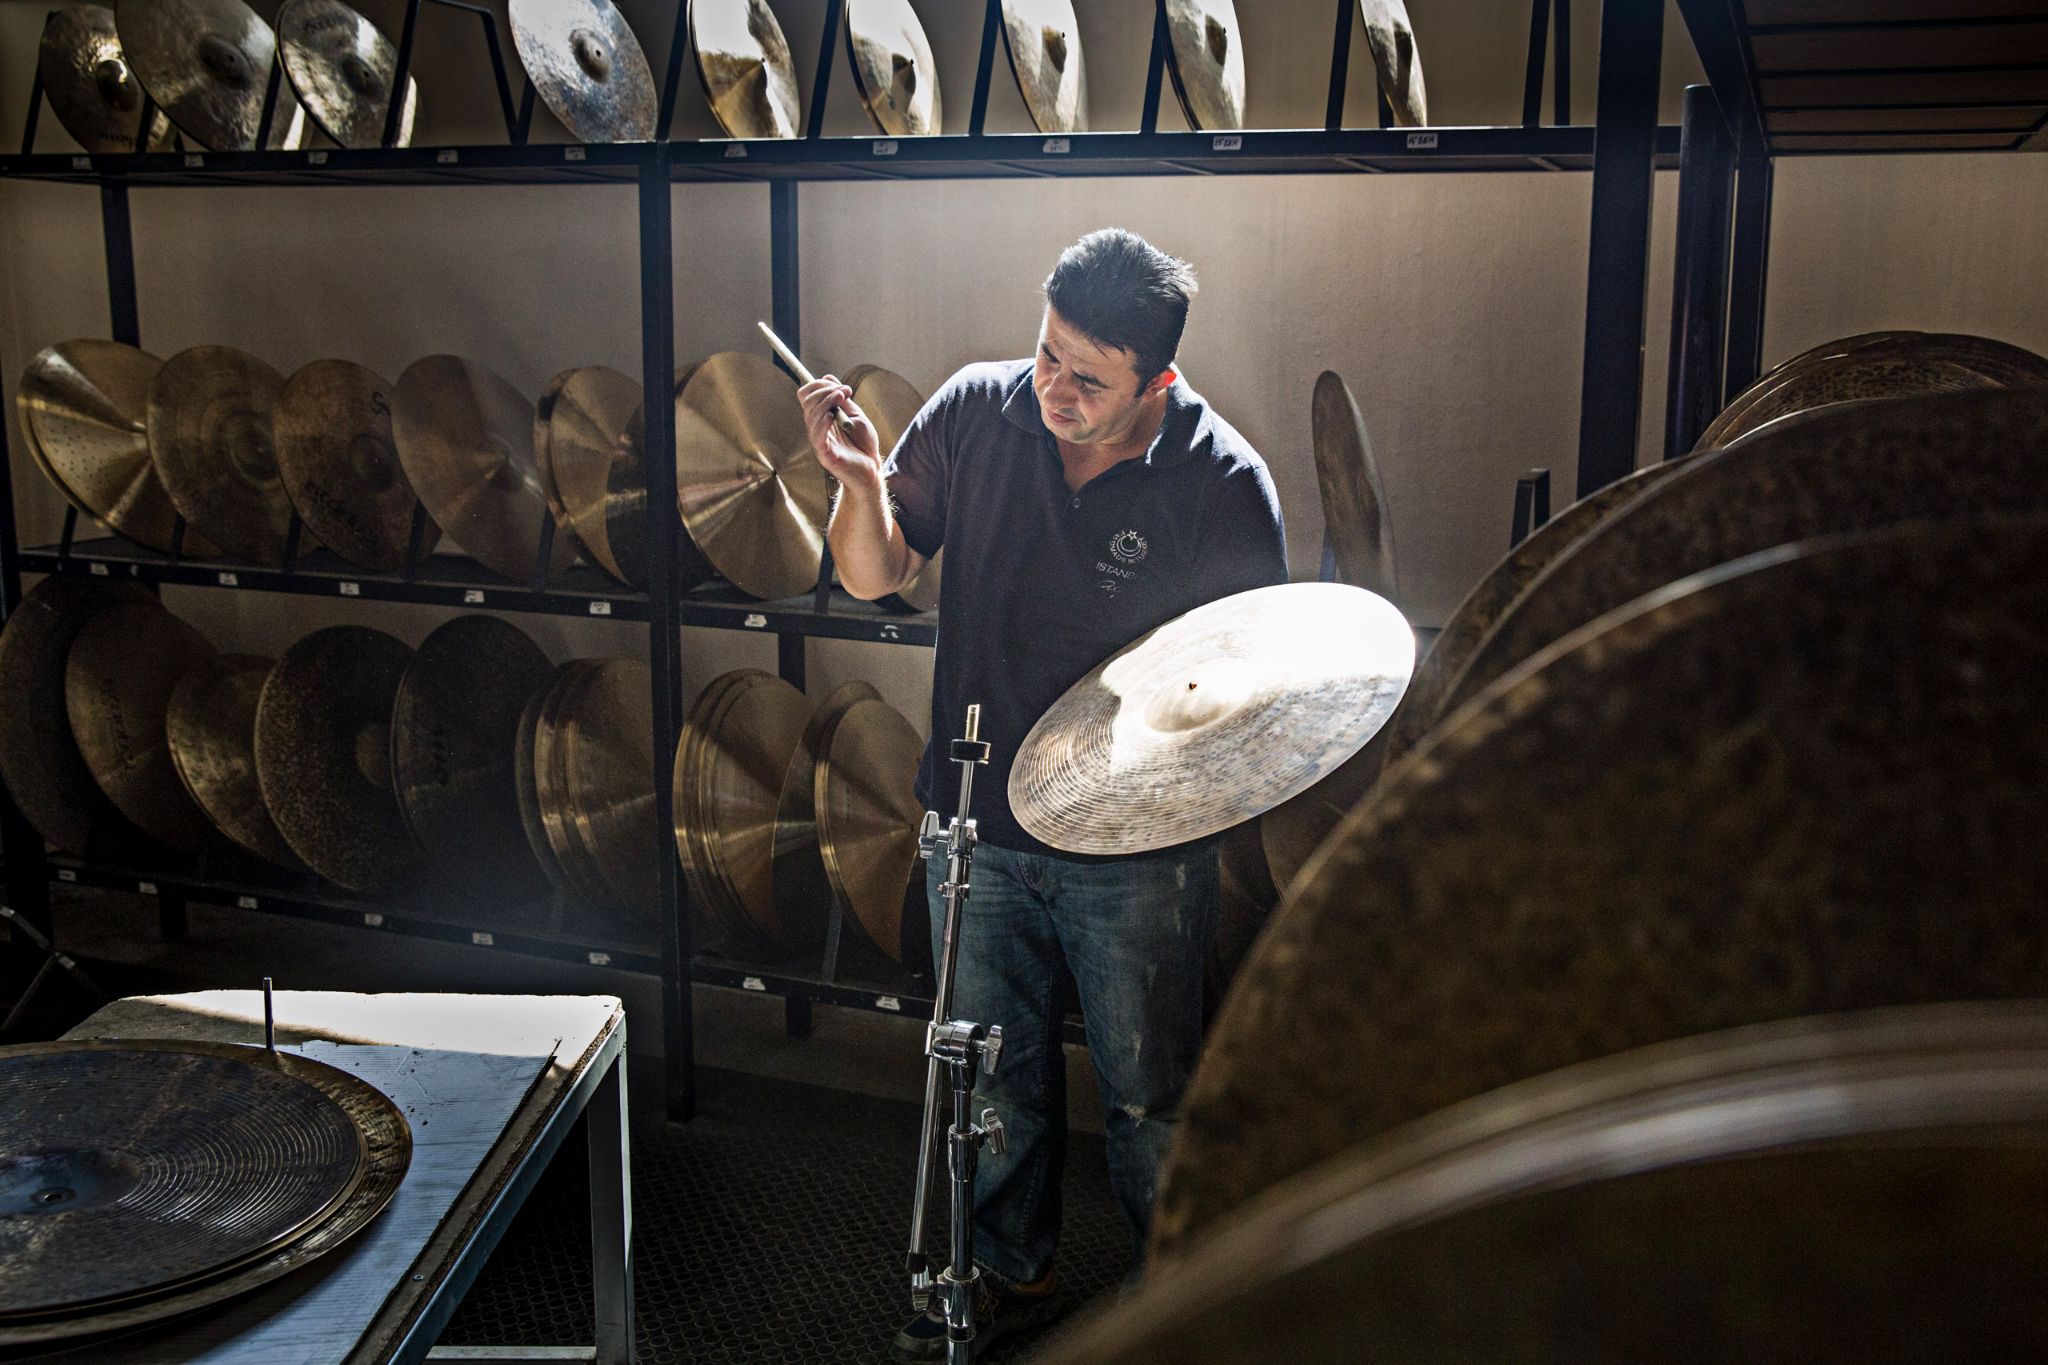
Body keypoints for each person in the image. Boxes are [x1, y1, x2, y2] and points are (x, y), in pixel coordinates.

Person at [798, 228, 1287, 1360]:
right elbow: (875, 576)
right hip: (974, 821)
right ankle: (1011, 1274)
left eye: (1088, 378)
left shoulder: (1221, 481)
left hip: (1139, 849)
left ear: (1156, 378)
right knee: (990, 1074)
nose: (1053, 389)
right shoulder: (978, 409)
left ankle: (1179, 1300)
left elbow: (1248, 686)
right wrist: (860, 481)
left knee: (1147, 1094)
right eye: (1047, 354)